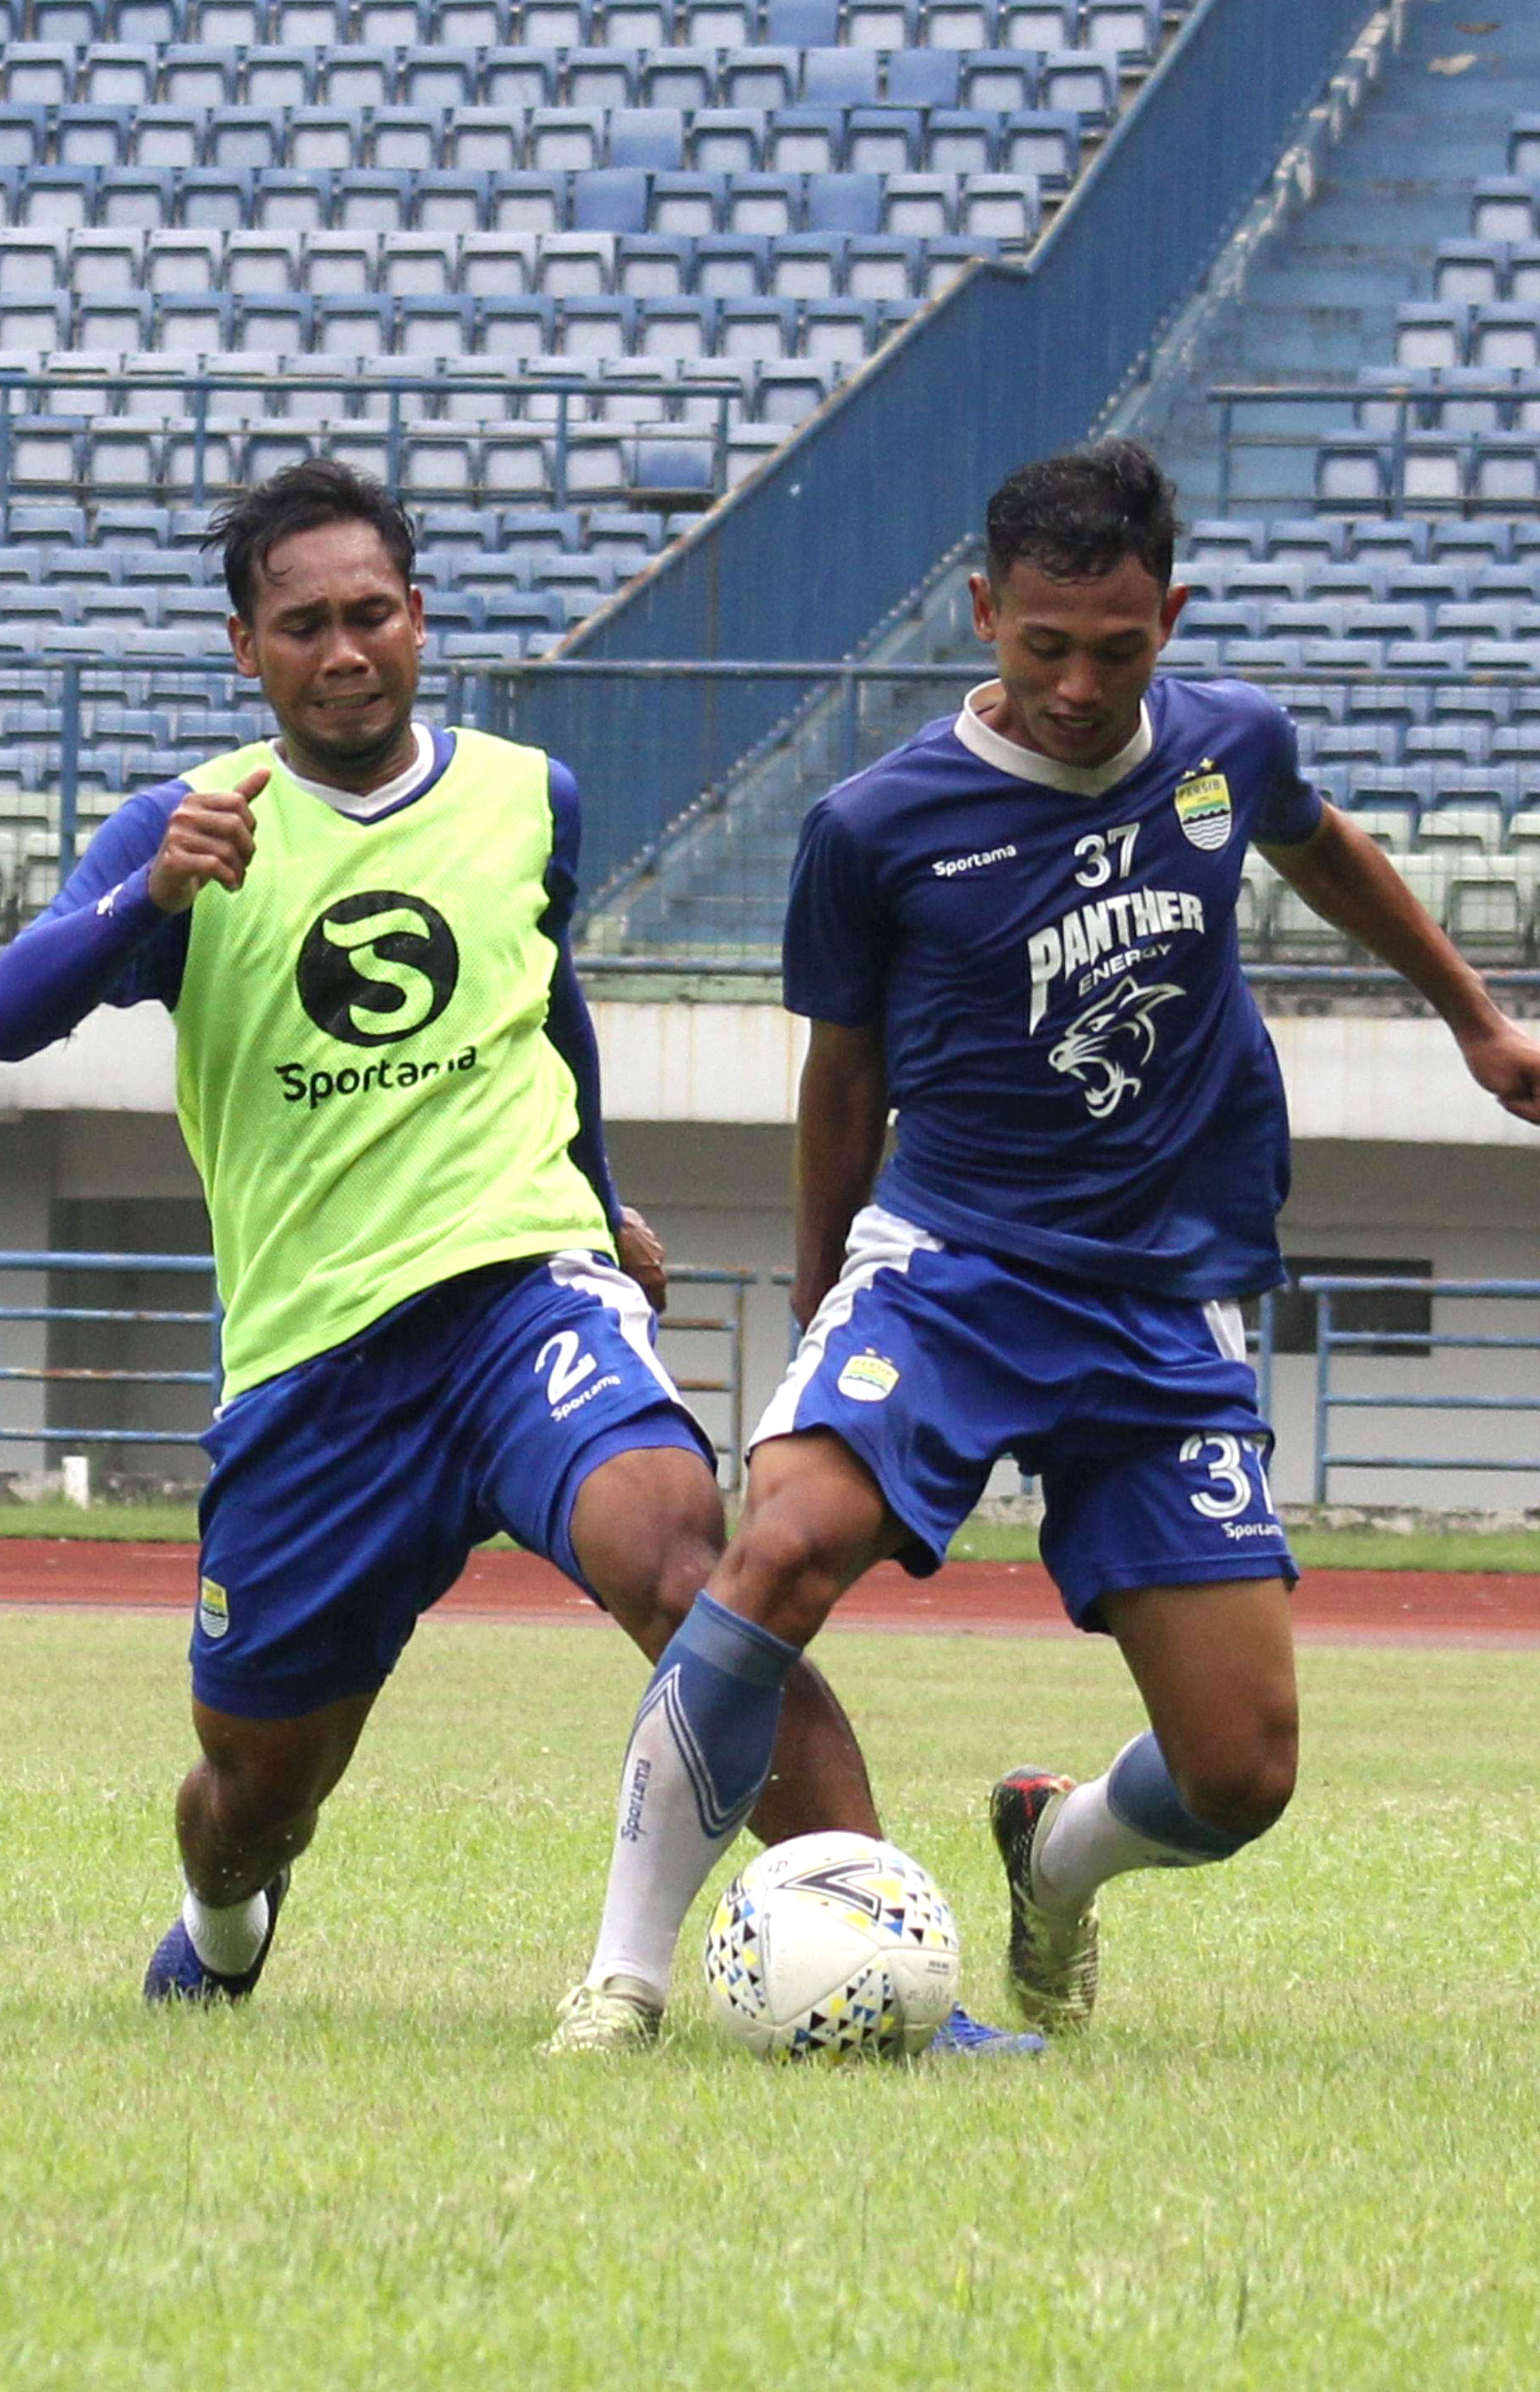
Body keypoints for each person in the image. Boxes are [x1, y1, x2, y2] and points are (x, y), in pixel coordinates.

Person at [0, 458, 996, 2048]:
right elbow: (13, 1011)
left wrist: (595, 1199)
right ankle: (224, 1917)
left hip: (520, 1300)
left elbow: (546, 1006)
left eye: (371, 614)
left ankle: (890, 1973)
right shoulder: (186, 827)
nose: (345, 651)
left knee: (692, 1572)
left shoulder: (531, 796)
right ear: (247, 649)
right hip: (316, 1366)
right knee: (253, 1794)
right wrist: (147, 897)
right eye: (304, 626)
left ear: (419, 617)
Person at [558, 437, 1540, 2047]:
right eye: (1044, 646)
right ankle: (624, 1981)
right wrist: (820, 1285)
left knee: (1241, 1773)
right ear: (983, 615)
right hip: (950, 1272)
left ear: (1173, 620)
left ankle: (1057, 1855)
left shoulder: (1228, 746)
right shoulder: (877, 826)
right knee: (779, 1550)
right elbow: (841, 1080)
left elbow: (1323, 847)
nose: (1080, 687)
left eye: (1119, 649)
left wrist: (1479, 1023)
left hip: (1163, 1299)